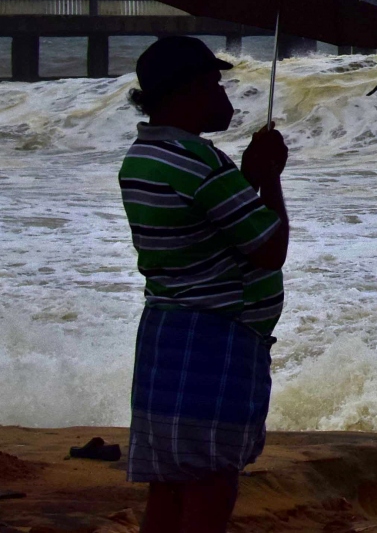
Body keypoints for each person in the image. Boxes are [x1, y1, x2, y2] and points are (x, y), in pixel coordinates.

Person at [118, 36, 289, 532]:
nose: (224, 98)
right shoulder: (199, 162)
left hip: (167, 330)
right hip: (216, 338)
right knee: (211, 481)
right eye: (214, 85)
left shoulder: (145, 157)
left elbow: (213, 230)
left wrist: (247, 179)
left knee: (169, 482)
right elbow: (268, 247)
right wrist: (268, 178)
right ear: (186, 92)